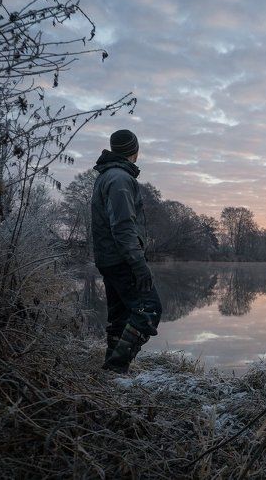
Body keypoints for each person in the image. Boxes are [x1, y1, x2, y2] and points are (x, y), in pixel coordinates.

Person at [90, 129, 161, 373]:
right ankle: (116, 367)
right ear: (135, 150)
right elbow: (122, 227)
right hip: (121, 259)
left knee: (120, 316)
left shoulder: (107, 176)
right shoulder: (120, 179)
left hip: (110, 258)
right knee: (149, 310)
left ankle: (110, 374)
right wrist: (139, 265)